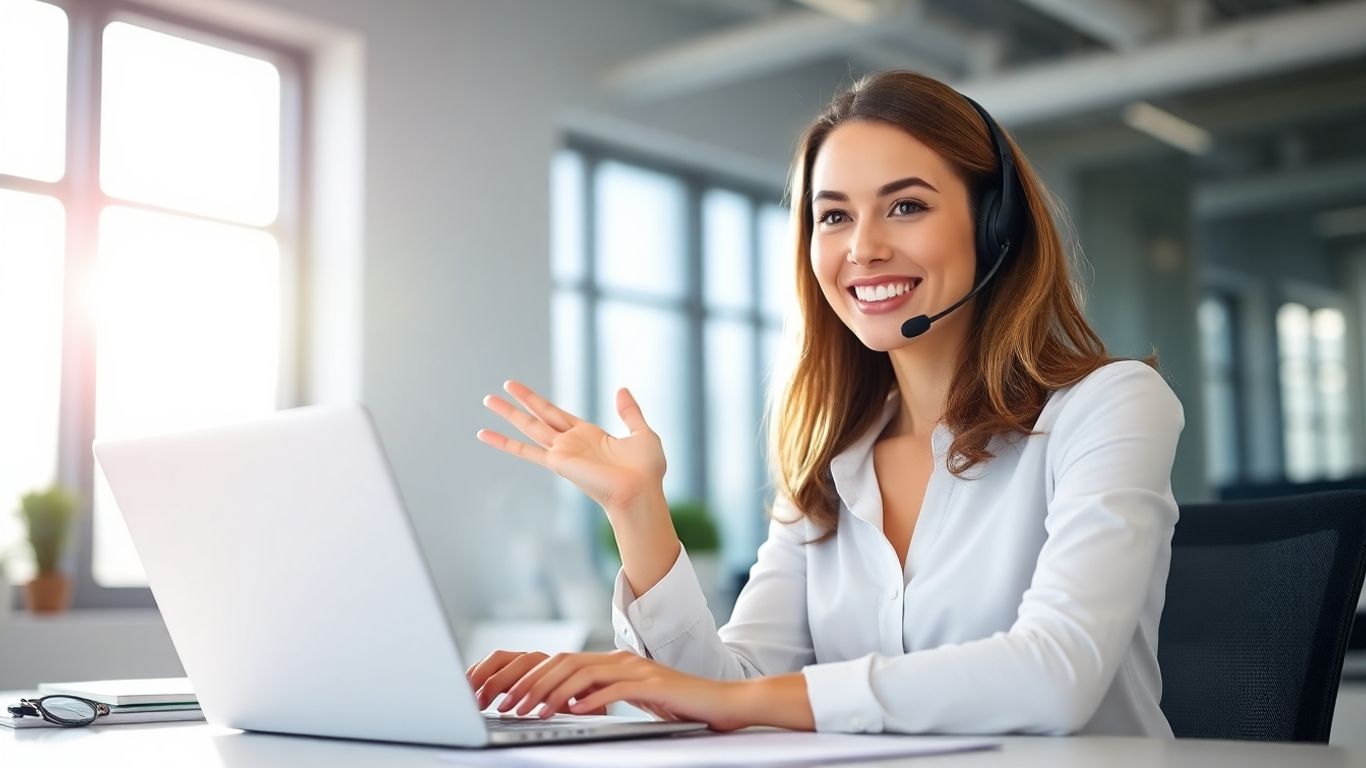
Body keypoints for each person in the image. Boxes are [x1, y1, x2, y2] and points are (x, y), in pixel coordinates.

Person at [469, 69, 1184, 736]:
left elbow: (1054, 677)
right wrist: (636, 510)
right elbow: (724, 688)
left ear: (994, 227)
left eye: (905, 206)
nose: (863, 248)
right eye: (833, 216)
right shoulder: (830, 461)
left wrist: (735, 700)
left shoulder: (1109, 408)